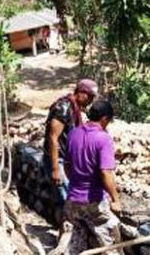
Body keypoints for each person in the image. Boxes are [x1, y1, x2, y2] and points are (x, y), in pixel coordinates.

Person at [64, 100, 122, 255]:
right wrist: (115, 199)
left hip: (72, 200)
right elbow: (105, 173)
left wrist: (77, 183)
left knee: (76, 244)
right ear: (104, 118)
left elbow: (67, 166)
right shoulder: (103, 139)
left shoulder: (73, 133)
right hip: (93, 201)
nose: (108, 124)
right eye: (109, 120)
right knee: (110, 245)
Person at [43, 79, 98, 242]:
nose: (90, 101)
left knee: (70, 201)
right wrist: (55, 169)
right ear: (80, 93)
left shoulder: (74, 109)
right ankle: (66, 242)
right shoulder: (63, 108)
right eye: (89, 96)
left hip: (66, 161)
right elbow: (53, 138)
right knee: (68, 201)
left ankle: (67, 238)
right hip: (57, 160)